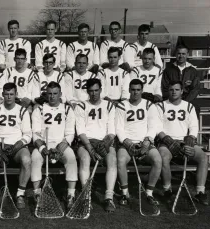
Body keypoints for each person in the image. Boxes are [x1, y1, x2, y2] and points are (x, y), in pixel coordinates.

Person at [156, 81, 208, 205]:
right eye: (171, 90)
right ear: (167, 91)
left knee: (203, 157)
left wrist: (190, 140)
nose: (174, 92)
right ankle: (167, 190)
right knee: (163, 157)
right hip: (167, 142)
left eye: (177, 89)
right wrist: (169, 141)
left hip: (184, 141)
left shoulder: (189, 106)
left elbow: (194, 126)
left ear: (182, 91)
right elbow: (157, 128)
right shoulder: (160, 106)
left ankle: (200, 192)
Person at [0, 83, 32, 209]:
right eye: (6, 94)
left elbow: (27, 134)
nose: (9, 97)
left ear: (16, 95)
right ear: (2, 95)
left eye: (11, 94)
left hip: (17, 145)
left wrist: (16, 146)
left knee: (26, 160)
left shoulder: (22, 110)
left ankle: (20, 194)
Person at [115, 79, 161, 211]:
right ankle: (124, 193)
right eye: (133, 89)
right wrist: (127, 142)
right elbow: (119, 128)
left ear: (142, 90)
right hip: (127, 143)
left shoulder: (149, 105)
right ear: (129, 90)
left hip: (144, 142)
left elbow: (153, 126)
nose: (135, 92)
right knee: (121, 160)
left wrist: (147, 141)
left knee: (157, 160)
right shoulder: (122, 105)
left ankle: (149, 193)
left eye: (138, 90)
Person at [31, 82, 77, 210]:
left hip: (61, 144)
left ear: (60, 94)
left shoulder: (67, 109)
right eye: (49, 94)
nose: (52, 96)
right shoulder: (39, 109)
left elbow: (69, 133)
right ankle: (37, 194)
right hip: (45, 144)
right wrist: (42, 148)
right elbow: (35, 133)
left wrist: (60, 148)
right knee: (35, 158)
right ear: (46, 95)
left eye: (55, 94)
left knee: (71, 158)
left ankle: (71, 195)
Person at [75, 78, 117, 212]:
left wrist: (105, 144)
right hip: (87, 141)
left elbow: (111, 131)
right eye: (91, 91)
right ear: (87, 91)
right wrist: (91, 149)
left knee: (112, 160)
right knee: (85, 159)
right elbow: (80, 131)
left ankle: (109, 197)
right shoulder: (81, 106)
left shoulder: (109, 105)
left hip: (104, 141)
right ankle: (85, 196)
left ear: (101, 90)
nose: (94, 94)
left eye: (96, 90)